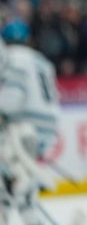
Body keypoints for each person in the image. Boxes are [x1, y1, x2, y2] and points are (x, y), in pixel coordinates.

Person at [0, 20, 60, 225]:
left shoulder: (13, 58)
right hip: (45, 129)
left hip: (23, 128)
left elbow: (12, 100)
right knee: (22, 190)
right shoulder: (41, 60)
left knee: (8, 186)